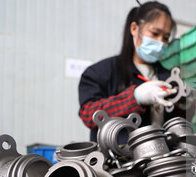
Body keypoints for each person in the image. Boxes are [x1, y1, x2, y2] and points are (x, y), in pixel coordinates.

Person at [78, 1, 190, 142]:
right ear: (134, 29)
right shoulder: (100, 72)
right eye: (155, 33)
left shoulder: (168, 78)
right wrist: (135, 97)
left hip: (164, 159)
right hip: (118, 160)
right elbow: (89, 115)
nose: (160, 43)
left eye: (166, 38)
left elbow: (179, 124)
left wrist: (185, 104)